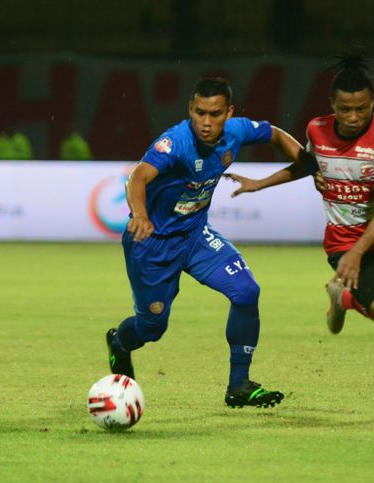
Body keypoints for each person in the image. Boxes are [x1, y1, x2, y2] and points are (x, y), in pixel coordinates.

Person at [224, 50, 374, 408]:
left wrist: (358, 254)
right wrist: (260, 183)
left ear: (373, 104)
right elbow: (309, 165)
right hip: (342, 241)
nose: (353, 117)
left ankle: (344, 298)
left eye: (362, 109)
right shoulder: (316, 130)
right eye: (344, 109)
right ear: (332, 105)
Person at [105, 77, 317, 408]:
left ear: (228, 112)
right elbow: (139, 177)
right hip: (152, 245)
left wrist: (305, 161)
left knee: (247, 291)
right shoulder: (175, 143)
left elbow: (273, 133)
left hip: (195, 238)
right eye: (200, 113)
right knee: (152, 328)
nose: (206, 123)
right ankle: (119, 343)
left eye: (215, 114)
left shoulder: (237, 131)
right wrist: (140, 215)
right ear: (190, 109)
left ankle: (239, 386)